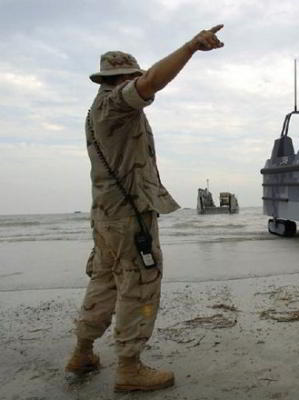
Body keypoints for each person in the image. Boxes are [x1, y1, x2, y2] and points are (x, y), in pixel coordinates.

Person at [65, 25, 224, 392]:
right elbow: (152, 81)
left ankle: (82, 352)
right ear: (123, 78)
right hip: (128, 216)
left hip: (106, 216)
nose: (137, 84)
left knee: (104, 281)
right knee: (139, 285)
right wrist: (190, 47)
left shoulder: (96, 109)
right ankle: (129, 368)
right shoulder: (116, 104)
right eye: (132, 78)